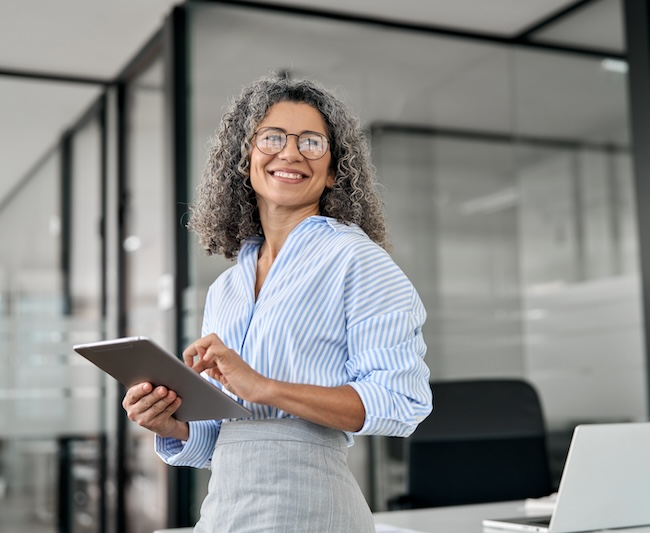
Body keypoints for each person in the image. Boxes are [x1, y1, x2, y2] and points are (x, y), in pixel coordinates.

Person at [122, 74, 433, 532]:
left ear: (333, 171)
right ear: (244, 157)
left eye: (311, 142)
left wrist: (264, 387)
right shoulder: (227, 288)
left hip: (312, 509)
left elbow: (401, 401)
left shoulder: (356, 259)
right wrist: (173, 424)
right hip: (226, 513)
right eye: (272, 138)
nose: (290, 153)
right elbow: (229, 438)